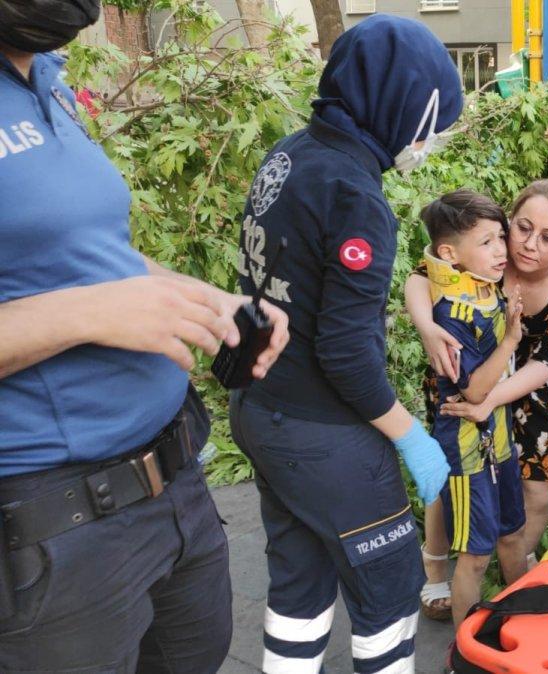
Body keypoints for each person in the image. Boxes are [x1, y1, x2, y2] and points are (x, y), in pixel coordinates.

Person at [0, 2, 290, 671]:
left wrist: (206, 302)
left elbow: (91, 254)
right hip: (55, 526)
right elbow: (89, 295)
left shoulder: (45, 76)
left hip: (173, 485)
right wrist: (86, 314)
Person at [227, 16, 461, 674]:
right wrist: (409, 434)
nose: (427, 141)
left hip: (260, 406)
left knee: (299, 584)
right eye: (431, 122)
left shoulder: (290, 153)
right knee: (387, 596)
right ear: (402, 104)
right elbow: (346, 354)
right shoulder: (357, 196)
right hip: (325, 430)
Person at [405, 179, 548, 621]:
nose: (529, 245)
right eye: (522, 228)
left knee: (537, 488)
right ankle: (437, 565)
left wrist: (488, 402)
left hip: (537, 391)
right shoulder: (486, 248)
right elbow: (421, 274)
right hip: (466, 378)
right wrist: (426, 327)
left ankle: (510, 566)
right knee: (449, 473)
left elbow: (546, 362)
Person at [416, 189, 529, 629]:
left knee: (513, 535)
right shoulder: (452, 313)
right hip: (464, 451)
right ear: (450, 253)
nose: (501, 250)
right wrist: (511, 341)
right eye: (486, 242)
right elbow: (477, 392)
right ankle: (462, 648)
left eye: (501, 237)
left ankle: (523, 623)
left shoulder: (485, 288)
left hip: (499, 440)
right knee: (477, 556)